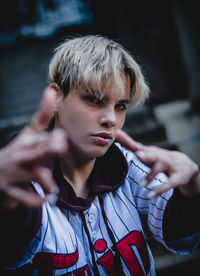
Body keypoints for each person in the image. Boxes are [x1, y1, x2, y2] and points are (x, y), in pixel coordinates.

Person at [0, 35, 200, 276]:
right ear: (55, 98)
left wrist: (193, 186)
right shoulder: (23, 180)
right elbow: (12, 248)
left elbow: (183, 238)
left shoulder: (130, 166)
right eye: (94, 100)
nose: (111, 119)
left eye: (120, 106)